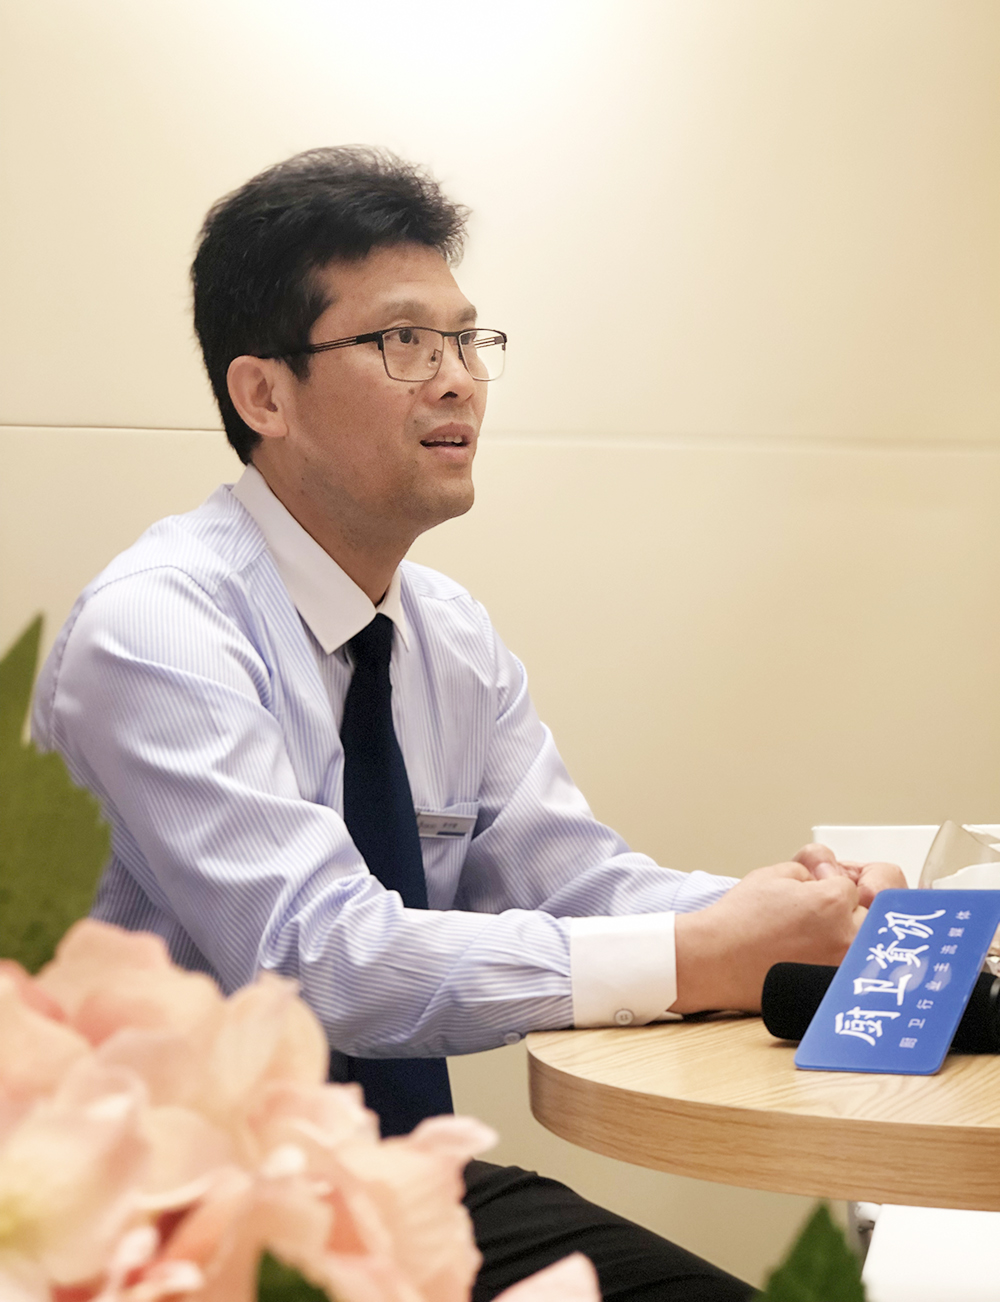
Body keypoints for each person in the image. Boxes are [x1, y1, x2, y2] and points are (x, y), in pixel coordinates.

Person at [33, 147, 903, 1300]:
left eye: (466, 340)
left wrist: (796, 912)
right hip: (170, 1218)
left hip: (382, 1183)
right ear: (263, 395)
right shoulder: (156, 631)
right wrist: (701, 953)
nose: (456, 381)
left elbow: (574, 883)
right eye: (404, 342)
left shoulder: (445, 633)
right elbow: (324, 962)